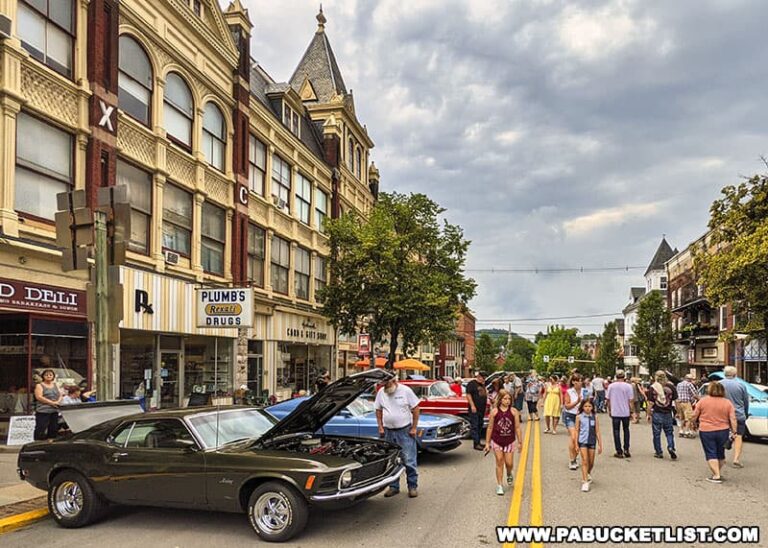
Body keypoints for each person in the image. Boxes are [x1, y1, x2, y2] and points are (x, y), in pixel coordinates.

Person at [375, 377, 420, 498]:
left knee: (409, 460)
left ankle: (412, 486)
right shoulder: (381, 392)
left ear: (394, 381)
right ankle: (393, 487)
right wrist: (380, 426)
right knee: (392, 460)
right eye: (383, 384)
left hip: (404, 431)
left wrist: (414, 428)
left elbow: (416, 409)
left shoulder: (406, 391)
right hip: (388, 431)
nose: (385, 387)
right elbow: (378, 410)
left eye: (387, 384)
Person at [691, 381, 737, 484]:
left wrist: (693, 423)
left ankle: (716, 475)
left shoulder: (703, 401)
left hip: (706, 430)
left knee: (710, 452)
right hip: (723, 430)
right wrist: (734, 431)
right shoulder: (727, 403)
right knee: (720, 453)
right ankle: (717, 472)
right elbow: (733, 418)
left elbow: (694, 415)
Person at [484, 390, 522, 495]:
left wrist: (520, 442)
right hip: (497, 440)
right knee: (499, 461)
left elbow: (517, 427)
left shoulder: (514, 411)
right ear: (500, 399)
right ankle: (500, 485)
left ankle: (509, 473)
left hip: (509, 441)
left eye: (509, 399)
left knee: (509, 463)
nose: (507, 401)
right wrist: (487, 443)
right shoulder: (494, 412)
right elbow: (490, 427)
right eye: (505, 399)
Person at [720, 366, 749, 468]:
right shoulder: (741, 385)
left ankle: (721, 457)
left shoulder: (719, 384)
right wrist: (745, 413)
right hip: (738, 414)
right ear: (735, 374)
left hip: (723, 414)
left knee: (722, 435)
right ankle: (736, 458)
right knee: (739, 436)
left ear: (724, 374)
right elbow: (746, 401)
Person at [647, 371, 678, 460]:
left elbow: (650, 403)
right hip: (668, 413)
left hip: (657, 413)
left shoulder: (653, 387)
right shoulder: (671, 387)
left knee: (657, 434)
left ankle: (658, 452)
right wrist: (678, 412)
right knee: (669, 433)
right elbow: (676, 401)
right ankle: (671, 447)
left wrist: (648, 414)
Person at [605, 370, 635, 458]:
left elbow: (608, 400)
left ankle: (619, 451)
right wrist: (631, 411)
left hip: (615, 412)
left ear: (616, 376)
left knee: (616, 431)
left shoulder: (611, 386)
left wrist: (609, 410)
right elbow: (631, 400)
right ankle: (626, 449)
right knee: (626, 430)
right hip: (625, 412)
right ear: (624, 376)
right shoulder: (628, 386)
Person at [575, 399, 602, 492]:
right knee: (585, 461)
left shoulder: (595, 417)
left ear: (592, 407)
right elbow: (577, 430)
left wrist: (600, 444)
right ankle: (585, 481)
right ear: (582, 407)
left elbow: (597, 431)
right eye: (585, 406)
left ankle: (588, 472)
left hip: (591, 441)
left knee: (591, 462)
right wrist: (576, 444)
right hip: (582, 441)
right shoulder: (579, 417)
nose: (587, 408)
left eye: (589, 406)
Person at [34, 368, 62, 440]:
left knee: (53, 428)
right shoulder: (39, 385)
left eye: (50, 375)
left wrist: (58, 402)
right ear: (43, 376)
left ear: (53, 376)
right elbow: (39, 397)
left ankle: (51, 442)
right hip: (43, 411)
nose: (49, 376)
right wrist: (52, 403)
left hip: (54, 410)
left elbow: (61, 395)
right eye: (46, 375)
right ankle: (38, 442)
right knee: (41, 428)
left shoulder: (56, 385)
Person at [563, 374, 584, 470]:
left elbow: (588, 404)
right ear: (573, 382)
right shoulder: (569, 392)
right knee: (573, 436)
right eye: (577, 380)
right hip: (570, 415)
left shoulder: (584, 391)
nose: (579, 382)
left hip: (581, 416)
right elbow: (567, 406)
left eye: (580, 380)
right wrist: (577, 401)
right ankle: (572, 460)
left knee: (579, 438)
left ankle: (574, 457)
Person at [465, 371, 488, 450]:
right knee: (475, 425)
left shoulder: (482, 385)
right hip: (475, 408)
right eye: (483, 378)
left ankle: (478, 442)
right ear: (479, 377)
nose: (484, 380)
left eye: (485, 378)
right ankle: (476, 444)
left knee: (480, 425)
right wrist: (472, 405)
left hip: (482, 409)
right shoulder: (472, 384)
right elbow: (468, 395)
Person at [676, 374, 698, 438]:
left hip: (679, 403)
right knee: (689, 418)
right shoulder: (689, 384)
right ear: (689, 379)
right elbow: (694, 394)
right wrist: (699, 399)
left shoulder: (679, 384)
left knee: (682, 418)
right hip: (686, 402)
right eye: (692, 379)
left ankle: (681, 431)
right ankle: (687, 431)